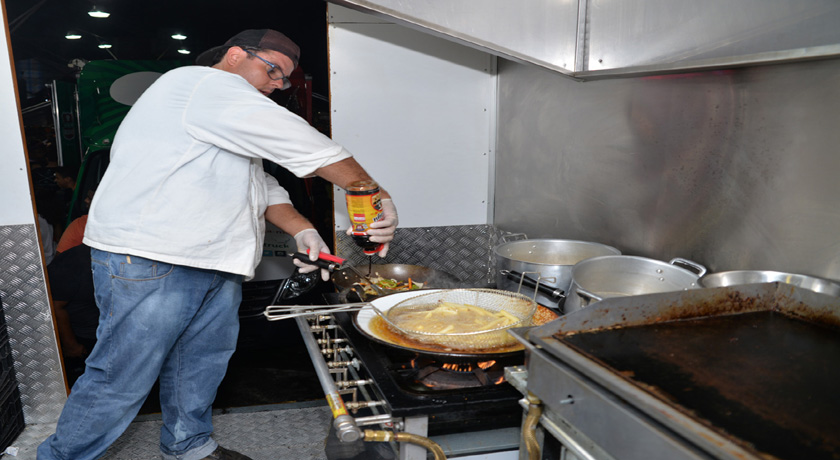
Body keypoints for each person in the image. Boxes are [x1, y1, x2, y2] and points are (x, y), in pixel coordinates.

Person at [37, 29, 398, 460]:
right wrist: (372, 192)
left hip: (213, 261)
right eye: (272, 70)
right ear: (233, 56)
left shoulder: (217, 113)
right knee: (121, 375)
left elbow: (259, 184)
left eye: (283, 79)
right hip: (155, 258)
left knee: (201, 362)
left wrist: (303, 230)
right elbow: (307, 145)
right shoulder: (200, 84)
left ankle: (189, 446)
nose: (276, 84)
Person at [46, 244, 98, 386]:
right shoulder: (75, 260)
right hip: (84, 341)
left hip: (105, 335)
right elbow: (55, 306)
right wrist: (71, 345)